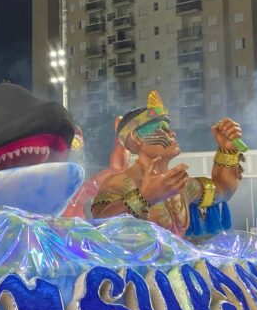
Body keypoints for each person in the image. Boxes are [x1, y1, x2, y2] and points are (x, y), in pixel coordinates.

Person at [91, 91, 244, 238]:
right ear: (136, 137)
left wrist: (227, 149)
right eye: (163, 128)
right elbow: (99, 227)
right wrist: (144, 197)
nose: (172, 134)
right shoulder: (119, 183)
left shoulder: (180, 184)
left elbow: (223, 191)